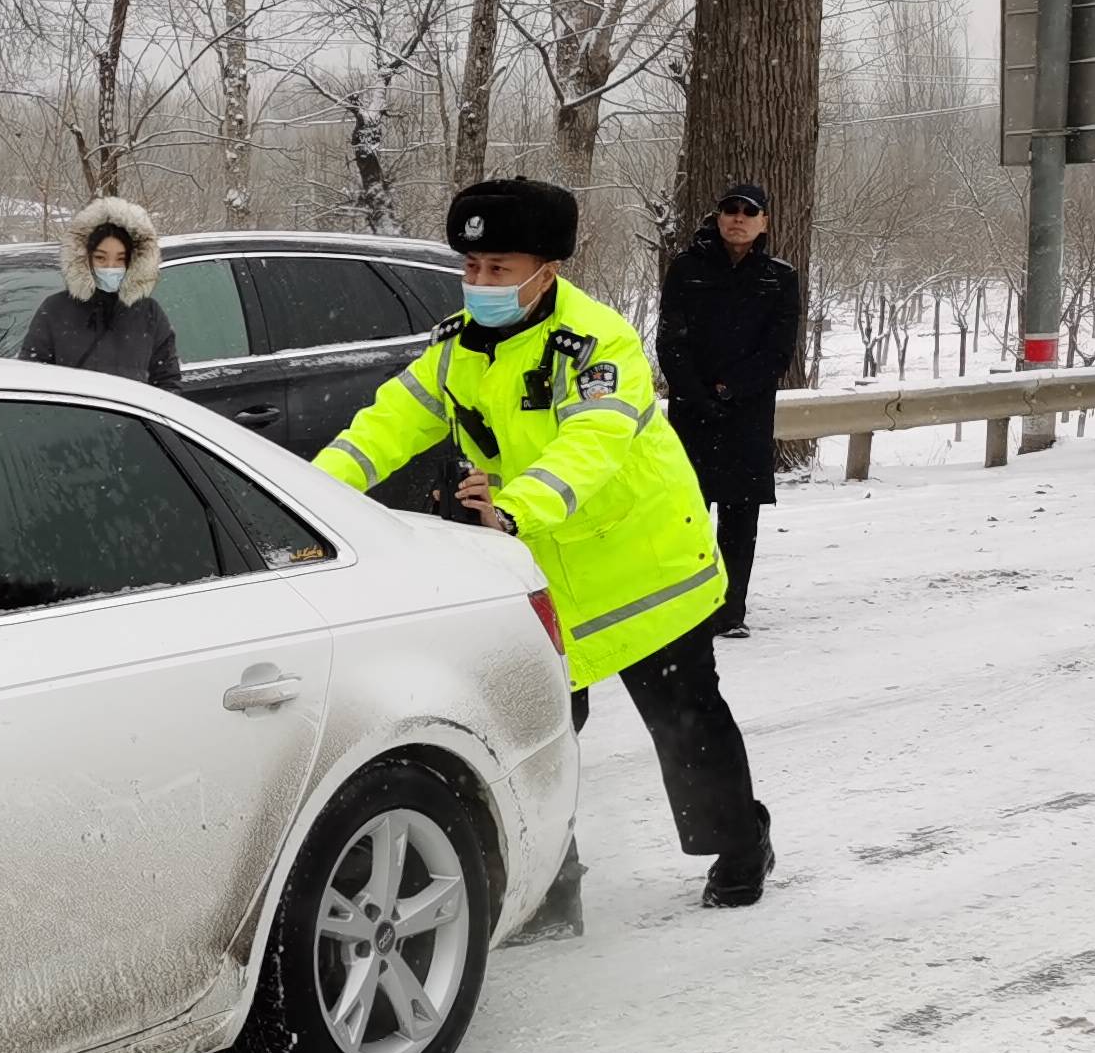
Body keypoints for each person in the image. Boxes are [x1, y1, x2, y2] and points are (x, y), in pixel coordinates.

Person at [314, 175, 772, 919]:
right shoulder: (458, 349)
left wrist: (513, 512)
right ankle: (551, 888)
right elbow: (385, 425)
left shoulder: (597, 343)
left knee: (685, 718)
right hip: (542, 577)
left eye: (499, 269)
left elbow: (589, 443)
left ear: (546, 270)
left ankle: (740, 845)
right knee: (537, 740)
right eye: (471, 268)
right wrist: (308, 501)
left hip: (641, 566)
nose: (480, 283)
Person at [656, 179, 802, 637]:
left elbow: (779, 350)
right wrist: (698, 393)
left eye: (748, 211)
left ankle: (729, 610)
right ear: (718, 217)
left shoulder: (780, 277)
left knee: (740, 518)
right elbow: (670, 340)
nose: (738, 218)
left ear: (764, 223)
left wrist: (732, 389)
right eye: (730, 209)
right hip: (691, 411)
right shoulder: (686, 268)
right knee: (688, 515)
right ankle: (688, 605)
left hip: (747, 414)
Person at [19, 194, 182, 387]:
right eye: (101, 258)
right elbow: (32, 378)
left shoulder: (149, 314)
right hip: (71, 417)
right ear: (85, 258)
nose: (111, 267)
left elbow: (167, 381)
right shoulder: (55, 310)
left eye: (120, 259)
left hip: (129, 418)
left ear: (133, 262)